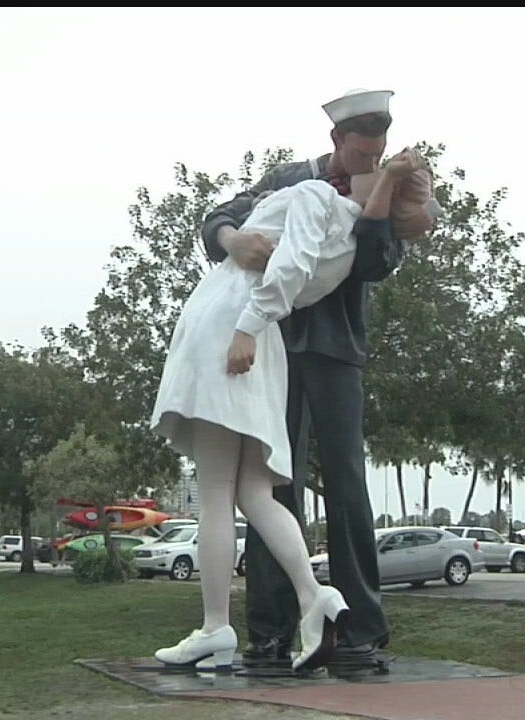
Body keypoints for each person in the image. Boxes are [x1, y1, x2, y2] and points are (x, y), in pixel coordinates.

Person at [150, 138, 437, 672]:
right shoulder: (296, 179)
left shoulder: (361, 212)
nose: (370, 158)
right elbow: (224, 217)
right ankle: (277, 623)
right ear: (343, 140)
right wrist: (231, 238)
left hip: (287, 338)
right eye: (364, 146)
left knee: (325, 485)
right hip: (268, 337)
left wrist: (381, 203)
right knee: (264, 487)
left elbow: (364, 261)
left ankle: (343, 627)